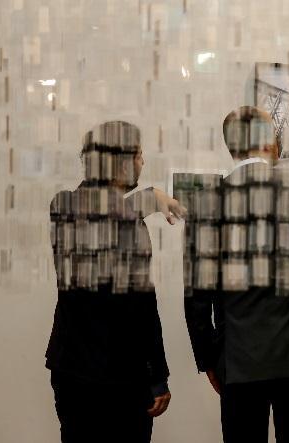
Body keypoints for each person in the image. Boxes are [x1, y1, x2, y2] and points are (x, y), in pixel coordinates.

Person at [182, 107, 289, 443]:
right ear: (267, 142)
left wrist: (209, 359)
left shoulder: (207, 205)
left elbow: (197, 296)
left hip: (239, 361)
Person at [47, 121, 185, 443]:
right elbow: (141, 308)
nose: (142, 161)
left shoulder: (63, 206)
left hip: (74, 370)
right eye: (138, 155)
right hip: (121, 376)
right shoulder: (118, 219)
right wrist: (158, 376)